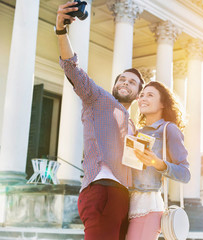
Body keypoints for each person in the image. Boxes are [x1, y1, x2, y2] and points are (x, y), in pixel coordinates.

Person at [55, 2, 145, 240]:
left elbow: (135, 168)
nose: (125, 83)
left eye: (132, 82)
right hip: (102, 191)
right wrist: (61, 31)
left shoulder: (134, 126)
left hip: (125, 199)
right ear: (115, 86)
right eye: (122, 79)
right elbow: (72, 68)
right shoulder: (99, 98)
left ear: (137, 95)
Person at [126, 81, 191, 240]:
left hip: (148, 207)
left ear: (163, 103)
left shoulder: (169, 129)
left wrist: (157, 163)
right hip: (126, 204)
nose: (143, 99)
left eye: (150, 95)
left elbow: (185, 174)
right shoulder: (136, 132)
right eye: (141, 95)